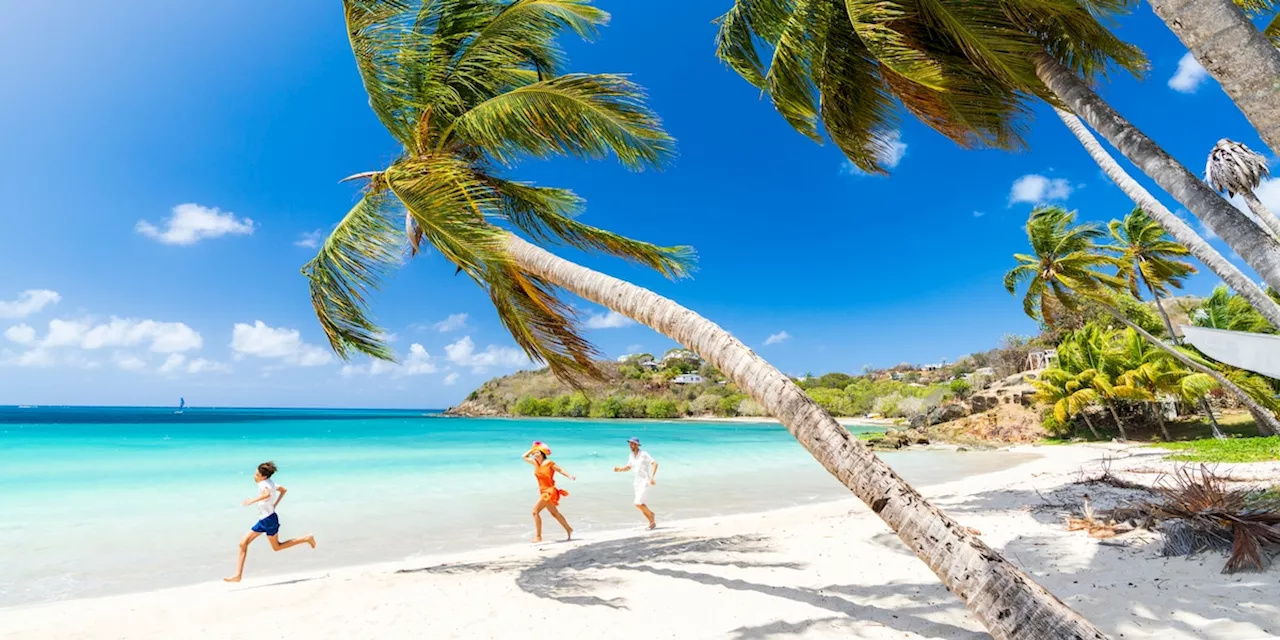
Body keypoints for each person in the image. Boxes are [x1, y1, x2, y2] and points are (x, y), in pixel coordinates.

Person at [223, 461, 316, 583]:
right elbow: (283, 490)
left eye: (257, 474)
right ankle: (238, 575)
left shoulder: (263, 484)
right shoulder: (270, 482)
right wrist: (274, 504)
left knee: (270, 546)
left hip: (268, 520)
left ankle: (306, 538)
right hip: (267, 519)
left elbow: (266, 494)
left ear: (264, 476)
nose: (254, 476)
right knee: (246, 543)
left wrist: (252, 501)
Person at [523, 442, 575, 543]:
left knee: (535, 511)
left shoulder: (549, 463)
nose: (534, 453)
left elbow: (560, 470)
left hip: (549, 491)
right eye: (534, 452)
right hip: (543, 491)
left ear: (542, 453)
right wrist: (533, 448)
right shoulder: (536, 463)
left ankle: (538, 537)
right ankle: (569, 529)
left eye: (536, 452)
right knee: (554, 513)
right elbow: (524, 456)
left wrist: (569, 476)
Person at [614, 437, 658, 530]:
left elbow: (655, 463)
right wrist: (620, 469)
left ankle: (651, 515)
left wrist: (652, 478)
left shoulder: (644, 454)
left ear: (637, 445)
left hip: (645, 481)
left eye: (633, 443)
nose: (631, 445)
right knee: (642, 504)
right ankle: (651, 523)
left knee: (637, 503)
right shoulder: (631, 455)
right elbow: (628, 467)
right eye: (630, 443)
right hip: (636, 483)